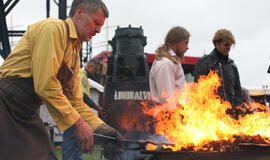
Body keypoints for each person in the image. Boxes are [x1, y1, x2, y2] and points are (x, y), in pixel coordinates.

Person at [0, 0, 123, 160]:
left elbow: (76, 102)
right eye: (96, 23)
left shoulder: (74, 50)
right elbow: (45, 85)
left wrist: (104, 130)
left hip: (26, 109)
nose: (98, 30)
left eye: (101, 26)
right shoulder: (53, 29)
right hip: (6, 104)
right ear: (79, 13)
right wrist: (78, 123)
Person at [194, 29, 244, 119]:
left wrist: (239, 115)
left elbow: (238, 93)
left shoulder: (232, 66)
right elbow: (197, 93)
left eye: (230, 45)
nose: (228, 48)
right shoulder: (204, 63)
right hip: (211, 117)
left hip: (230, 118)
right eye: (226, 45)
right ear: (217, 43)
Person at [62, 58, 105, 160]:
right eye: (96, 69)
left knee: (77, 145)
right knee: (71, 146)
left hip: (76, 116)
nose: (97, 73)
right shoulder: (81, 76)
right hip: (74, 116)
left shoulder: (83, 76)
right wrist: (98, 109)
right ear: (89, 67)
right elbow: (83, 97)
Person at [149, 26, 190, 106]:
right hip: (168, 115)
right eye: (186, 43)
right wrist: (173, 115)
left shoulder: (170, 62)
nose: (187, 47)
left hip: (175, 113)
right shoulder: (165, 63)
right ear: (178, 42)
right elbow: (167, 97)